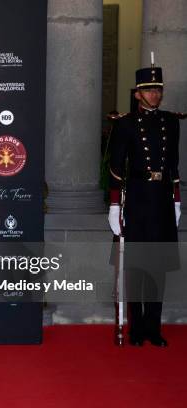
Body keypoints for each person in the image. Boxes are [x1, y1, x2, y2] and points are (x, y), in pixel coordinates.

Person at [108, 64, 181, 347]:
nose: (155, 95)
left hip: (161, 199)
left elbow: (173, 165)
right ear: (138, 94)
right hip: (137, 198)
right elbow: (116, 168)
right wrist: (115, 206)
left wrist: (176, 200)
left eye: (158, 90)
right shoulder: (125, 123)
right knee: (137, 266)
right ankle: (137, 329)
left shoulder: (170, 122)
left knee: (158, 266)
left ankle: (153, 327)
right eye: (149, 90)